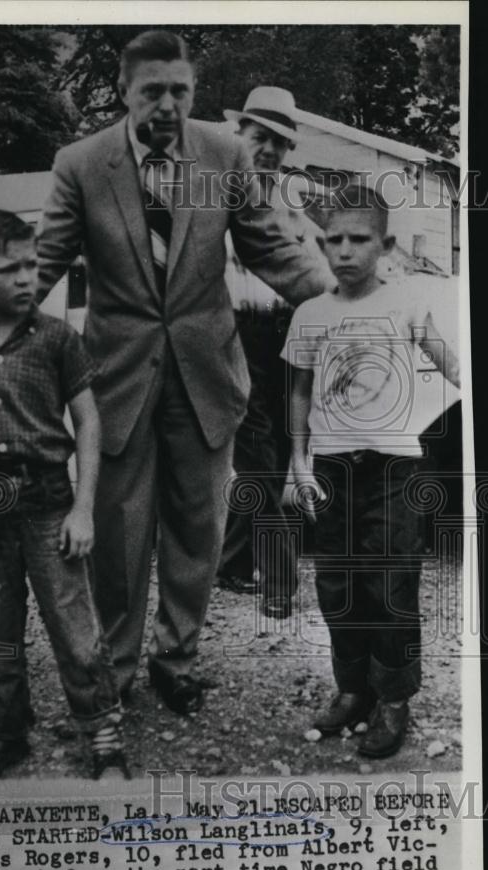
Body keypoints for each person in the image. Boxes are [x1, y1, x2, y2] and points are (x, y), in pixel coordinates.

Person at [36, 31, 330, 715]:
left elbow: (272, 249)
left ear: (194, 92)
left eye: (181, 91)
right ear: (123, 91)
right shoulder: (81, 164)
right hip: (116, 378)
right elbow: (43, 259)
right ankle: (115, 663)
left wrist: (347, 301)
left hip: (206, 373)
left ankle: (177, 657)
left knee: (198, 529)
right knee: (119, 530)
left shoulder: (224, 155)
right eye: (152, 92)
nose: (168, 105)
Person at [0, 210, 127, 781]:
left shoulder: (59, 338)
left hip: (48, 504)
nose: (25, 279)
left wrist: (83, 508)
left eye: (32, 265)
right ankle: (6, 735)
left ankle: (105, 738)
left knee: (77, 633)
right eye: (8, 269)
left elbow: (88, 423)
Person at [283, 183, 460, 758]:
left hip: (395, 467)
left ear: (383, 244)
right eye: (333, 240)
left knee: (390, 583)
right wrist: (297, 463)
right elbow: (300, 391)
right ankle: (352, 690)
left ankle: (393, 699)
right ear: (321, 244)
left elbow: (448, 360)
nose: (345, 251)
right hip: (331, 467)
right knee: (337, 583)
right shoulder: (311, 313)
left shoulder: (406, 302)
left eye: (359, 239)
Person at [218, 87, 328, 617]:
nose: (268, 150)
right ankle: (281, 584)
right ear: (239, 133)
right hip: (232, 334)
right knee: (259, 467)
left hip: (284, 335)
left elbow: (317, 254)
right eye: (260, 137)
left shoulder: (290, 197)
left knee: (278, 457)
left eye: (279, 143)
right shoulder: (211, 187)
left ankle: (232, 562)